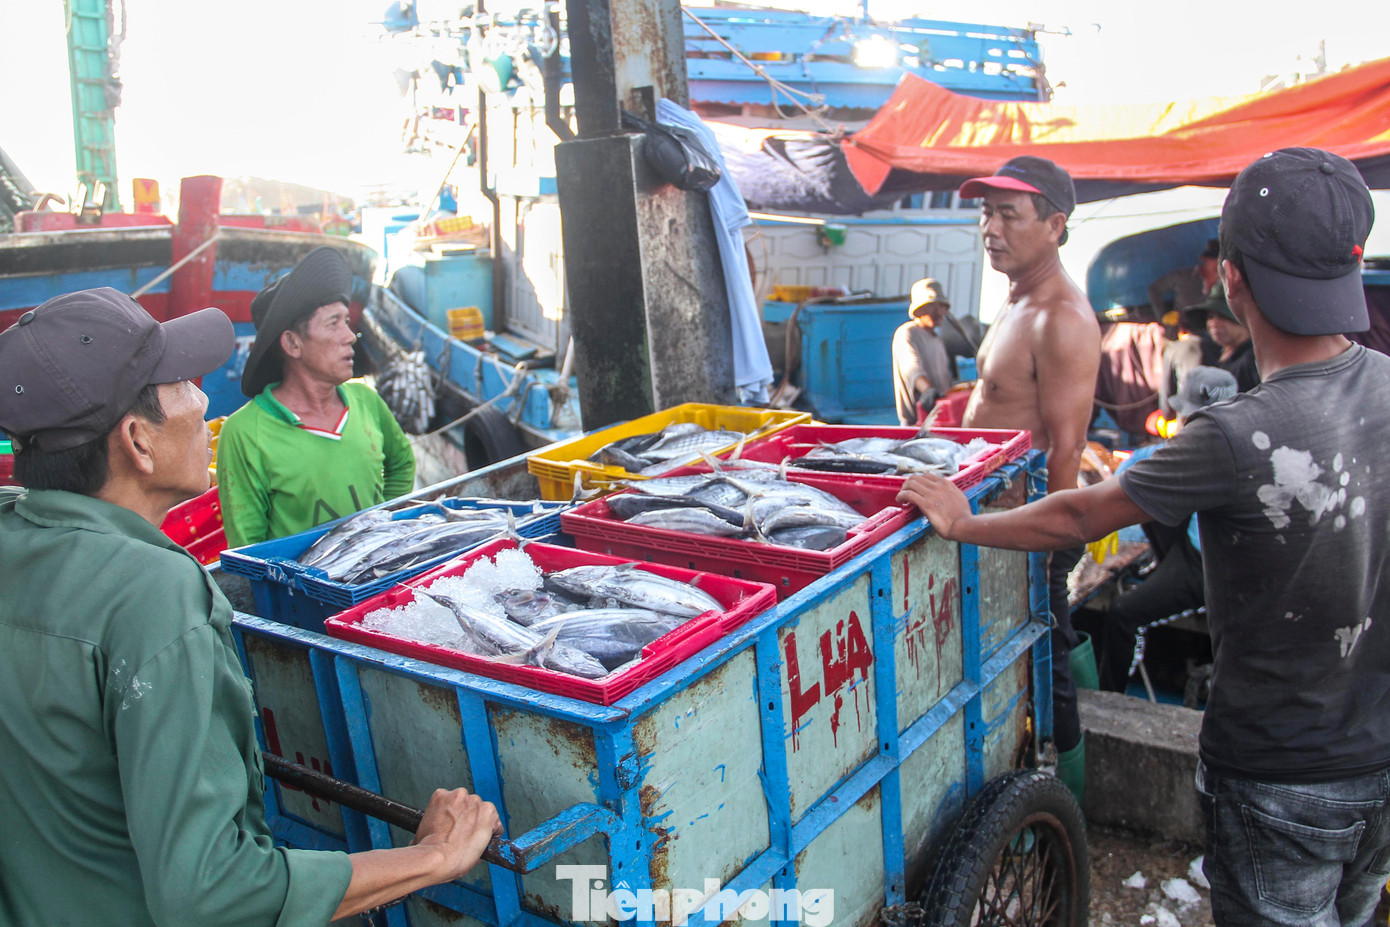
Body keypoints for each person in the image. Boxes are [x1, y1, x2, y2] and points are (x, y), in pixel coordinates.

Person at [899, 148, 1390, 927]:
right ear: (1351, 263)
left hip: (1277, 771)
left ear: (1228, 278)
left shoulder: (1235, 433)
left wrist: (960, 521)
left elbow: (1076, 514)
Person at [0, 288, 501, 925]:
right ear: (137, 441)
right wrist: (433, 856)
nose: (206, 401)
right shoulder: (153, 595)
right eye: (180, 383)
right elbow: (213, 894)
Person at [957, 155, 1102, 799]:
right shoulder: (1017, 299)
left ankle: (1064, 810)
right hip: (992, 513)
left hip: (1027, 521)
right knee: (1027, 653)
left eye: (1008, 214)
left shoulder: (1061, 316)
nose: (991, 227)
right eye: (986, 212)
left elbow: (1065, 447)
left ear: (1054, 225)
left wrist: (1055, 547)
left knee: (1048, 664)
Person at [217, 246, 415, 548]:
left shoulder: (365, 400)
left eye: (347, 323)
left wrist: (380, 527)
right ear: (293, 344)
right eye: (333, 323)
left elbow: (402, 463)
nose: (350, 336)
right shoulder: (245, 433)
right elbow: (249, 548)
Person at [1097, 366, 1238, 692]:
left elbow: (1127, 476)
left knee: (1122, 613)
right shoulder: (1246, 441)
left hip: (1207, 565)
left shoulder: (1187, 449)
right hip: (1212, 555)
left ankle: (1110, 699)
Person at [891, 277, 955, 425]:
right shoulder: (907, 333)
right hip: (917, 423)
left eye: (941, 307)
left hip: (940, 420)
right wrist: (927, 391)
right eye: (933, 306)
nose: (939, 312)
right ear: (919, 309)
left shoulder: (937, 339)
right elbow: (912, 368)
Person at [1183, 280, 1260, 393]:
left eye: (1223, 316)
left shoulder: (1252, 360)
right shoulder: (1217, 354)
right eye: (1210, 317)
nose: (1214, 323)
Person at [1148, 237, 1221, 321]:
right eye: (1214, 259)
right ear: (1204, 259)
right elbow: (1154, 288)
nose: (1218, 264)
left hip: (1216, 330)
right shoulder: (1182, 276)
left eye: (1221, 260)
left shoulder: (1229, 283)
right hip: (1183, 330)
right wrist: (1162, 317)